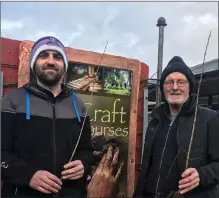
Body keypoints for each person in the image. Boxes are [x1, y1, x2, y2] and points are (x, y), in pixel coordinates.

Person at [1, 36, 94, 197]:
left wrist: (84, 165)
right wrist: (28, 175)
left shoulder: (79, 106)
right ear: (33, 63)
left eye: (57, 57)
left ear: (64, 65)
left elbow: (86, 151)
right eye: (43, 55)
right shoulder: (11, 102)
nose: (50, 61)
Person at [133, 56, 219, 198]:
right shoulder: (155, 120)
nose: (174, 87)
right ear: (163, 88)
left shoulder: (208, 118)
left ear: (190, 86)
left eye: (181, 82)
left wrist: (202, 175)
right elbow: (146, 169)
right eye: (169, 82)